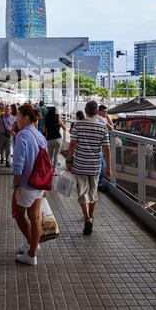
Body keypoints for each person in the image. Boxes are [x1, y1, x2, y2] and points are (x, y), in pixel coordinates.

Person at [66, 100, 111, 236]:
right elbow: (107, 148)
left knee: (82, 193)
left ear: (85, 111)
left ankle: (87, 219)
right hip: (95, 165)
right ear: (97, 112)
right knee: (93, 192)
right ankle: (91, 216)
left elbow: (72, 144)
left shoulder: (78, 125)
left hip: (80, 165)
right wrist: (108, 167)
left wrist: (69, 160)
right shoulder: (102, 127)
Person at [12, 104, 47, 266]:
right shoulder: (39, 135)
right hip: (40, 182)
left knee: (19, 215)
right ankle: (32, 246)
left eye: (18, 115)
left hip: (27, 183)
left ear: (26, 118)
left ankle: (32, 251)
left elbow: (18, 164)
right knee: (35, 216)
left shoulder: (22, 135)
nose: (16, 119)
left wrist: (16, 187)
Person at [44, 107, 67, 174]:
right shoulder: (58, 119)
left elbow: (44, 130)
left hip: (49, 139)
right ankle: (54, 170)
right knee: (56, 155)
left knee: (49, 156)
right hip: (58, 139)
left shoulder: (46, 120)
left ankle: (48, 170)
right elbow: (65, 128)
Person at [97, 104, 114, 191]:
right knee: (102, 165)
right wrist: (107, 117)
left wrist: (106, 116)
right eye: (104, 111)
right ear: (99, 111)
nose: (105, 113)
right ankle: (98, 184)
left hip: (102, 145)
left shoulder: (102, 118)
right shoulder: (99, 118)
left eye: (106, 111)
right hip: (101, 145)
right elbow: (111, 128)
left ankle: (98, 183)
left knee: (102, 165)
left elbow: (112, 126)